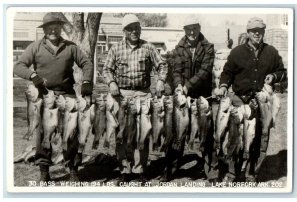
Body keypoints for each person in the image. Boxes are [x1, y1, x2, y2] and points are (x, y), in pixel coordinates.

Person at [14, 12, 94, 182]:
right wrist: (32, 76)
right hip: (44, 95)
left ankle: (72, 168)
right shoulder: (35, 47)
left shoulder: (71, 47)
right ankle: (44, 171)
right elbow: (19, 66)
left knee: (71, 133)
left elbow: (86, 63)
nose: (53, 30)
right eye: (49, 27)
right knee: (44, 135)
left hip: (67, 95)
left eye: (56, 27)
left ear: (60, 28)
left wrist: (87, 81)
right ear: (44, 29)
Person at [216, 17, 287, 182]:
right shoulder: (237, 52)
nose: (257, 33)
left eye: (260, 31)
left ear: (263, 32)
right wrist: (224, 86)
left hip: (262, 101)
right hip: (240, 100)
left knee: (260, 138)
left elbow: (282, 72)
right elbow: (227, 73)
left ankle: (251, 173)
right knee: (234, 137)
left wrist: (273, 76)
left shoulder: (271, 52)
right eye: (254, 30)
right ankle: (232, 173)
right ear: (248, 33)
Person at [102, 14, 168, 185]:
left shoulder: (148, 47)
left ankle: (140, 170)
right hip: (121, 95)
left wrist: (160, 80)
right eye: (130, 28)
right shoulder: (115, 48)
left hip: (143, 95)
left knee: (142, 134)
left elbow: (162, 65)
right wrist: (111, 83)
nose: (134, 31)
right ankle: (124, 170)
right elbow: (106, 69)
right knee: (122, 134)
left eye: (136, 28)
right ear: (124, 31)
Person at [163, 17, 218, 183]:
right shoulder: (179, 47)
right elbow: (176, 70)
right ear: (184, 30)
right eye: (188, 29)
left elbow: (205, 71)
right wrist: (179, 86)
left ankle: (212, 172)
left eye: (194, 28)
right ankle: (170, 169)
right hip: (183, 96)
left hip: (203, 97)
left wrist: (187, 86)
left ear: (199, 27)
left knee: (206, 134)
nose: (191, 32)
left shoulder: (208, 47)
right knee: (176, 134)